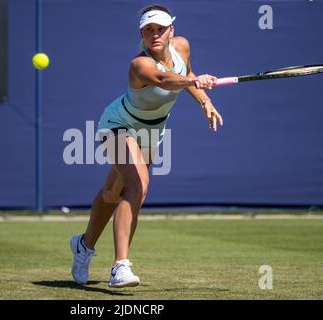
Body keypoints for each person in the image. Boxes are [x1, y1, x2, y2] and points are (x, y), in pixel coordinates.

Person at [70, 4, 223, 288]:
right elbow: (166, 79)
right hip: (118, 124)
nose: (155, 35)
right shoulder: (139, 65)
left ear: (171, 31)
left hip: (153, 131)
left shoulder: (182, 46)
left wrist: (204, 100)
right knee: (138, 185)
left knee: (113, 191)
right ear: (142, 33)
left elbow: (186, 71)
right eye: (148, 30)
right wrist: (193, 80)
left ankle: (84, 246)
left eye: (160, 29)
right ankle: (120, 267)